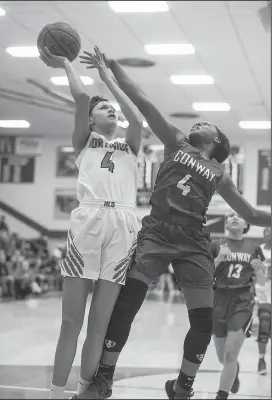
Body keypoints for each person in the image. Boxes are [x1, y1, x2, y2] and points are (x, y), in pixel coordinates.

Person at [78, 46, 272, 400]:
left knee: (201, 321)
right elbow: (144, 101)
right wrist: (112, 69)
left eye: (206, 124)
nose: (197, 122)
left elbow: (253, 216)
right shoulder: (176, 141)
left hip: (193, 240)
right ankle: (104, 376)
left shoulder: (220, 174)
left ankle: (183, 387)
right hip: (155, 231)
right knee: (128, 306)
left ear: (216, 143)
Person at [39, 46, 142, 400]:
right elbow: (81, 96)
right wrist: (66, 61)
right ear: (89, 119)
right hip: (89, 220)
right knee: (72, 322)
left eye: (112, 108)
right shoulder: (84, 142)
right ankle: (55, 393)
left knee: (98, 325)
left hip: (124, 224)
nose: (111, 110)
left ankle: (83, 392)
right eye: (104, 108)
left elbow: (137, 118)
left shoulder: (130, 146)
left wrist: (109, 80)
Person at [210, 212, 266, 399]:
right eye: (231, 216)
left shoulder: (254, 248)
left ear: (246, 225)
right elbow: (205, 276)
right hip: (218, 301)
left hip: (243, 302)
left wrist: (260, 272)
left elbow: (261, 281)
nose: (234, 217)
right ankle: (235, 370)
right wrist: (218, 260)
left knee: (230, 352)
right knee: (223, 357)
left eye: (239, 216)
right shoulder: (215, 245)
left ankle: (222, 394)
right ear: (226, 223)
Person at [255, 227, 271, 375]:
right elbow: (254, 271)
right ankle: (261, 360)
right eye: (266, 231)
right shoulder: (259, 250)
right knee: (264, 324)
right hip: (264, 293)